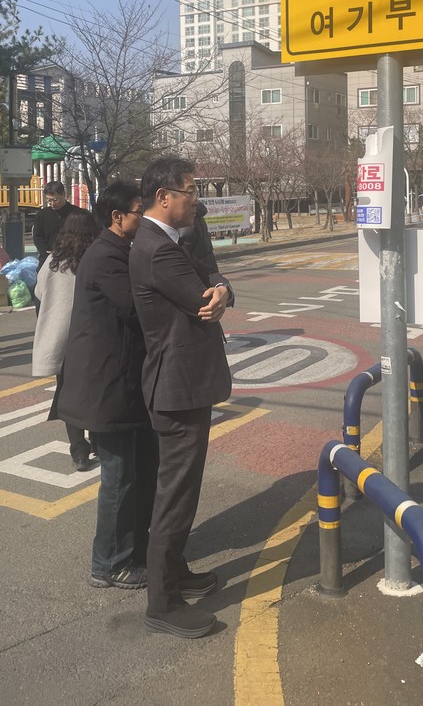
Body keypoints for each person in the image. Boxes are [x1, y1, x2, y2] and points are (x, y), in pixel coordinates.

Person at [129, 156, 233, 640]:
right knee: (175, 496)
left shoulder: (169, 240)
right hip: (177, 386)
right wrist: (217, 291)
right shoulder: (158, 249)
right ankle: (163, 602)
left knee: (181, 490)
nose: (197, 200)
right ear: (163, 196)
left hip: (182, 383)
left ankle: (176, 573)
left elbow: (213, 282)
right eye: (190, 191)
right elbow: (202, 295)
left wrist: (222, 288)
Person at [54, 182, 158, 591]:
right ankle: (109, 563)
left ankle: (132, 550)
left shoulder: (118, 250)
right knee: (118, 476)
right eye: (138, 211)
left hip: (120, 380)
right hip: (106, 385)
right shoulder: (106, 257)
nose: (143, 217)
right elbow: (137, 308)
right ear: (118, 217)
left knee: (135, 471)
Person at [33, 208, 101, 470]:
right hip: (92, 337)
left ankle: (78, 451)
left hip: (61, 340)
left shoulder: (53, 261)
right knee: (97, 392)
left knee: (68, 393)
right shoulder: (95, 259)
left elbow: (39, 292)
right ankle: (99, 443)